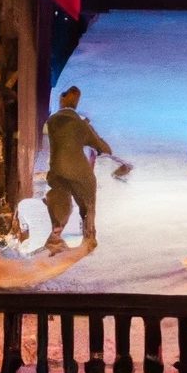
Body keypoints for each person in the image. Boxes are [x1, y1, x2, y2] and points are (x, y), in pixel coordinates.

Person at [42, 87, 112, 253]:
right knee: (88, 198)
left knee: (59, 194)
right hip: (79, 171)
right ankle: (89, 237)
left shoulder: (52, 121)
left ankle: (56, 234)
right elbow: (100, 146)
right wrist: (101, 144)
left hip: (57, 170)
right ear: (76, 103)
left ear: (61, 101)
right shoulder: (80, 124)